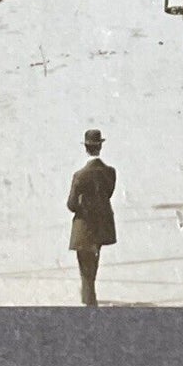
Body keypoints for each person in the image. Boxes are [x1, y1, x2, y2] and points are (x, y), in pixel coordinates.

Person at [67, 129, 118, 307]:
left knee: (85, 266)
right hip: (102, 225)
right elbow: (108, 194)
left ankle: (89, 301)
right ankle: (88, 296)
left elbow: (71, 205)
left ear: (86, 148)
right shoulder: (110, 172)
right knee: (93, 263)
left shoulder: (80, 175)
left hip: (84, 225)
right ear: (100, 146)